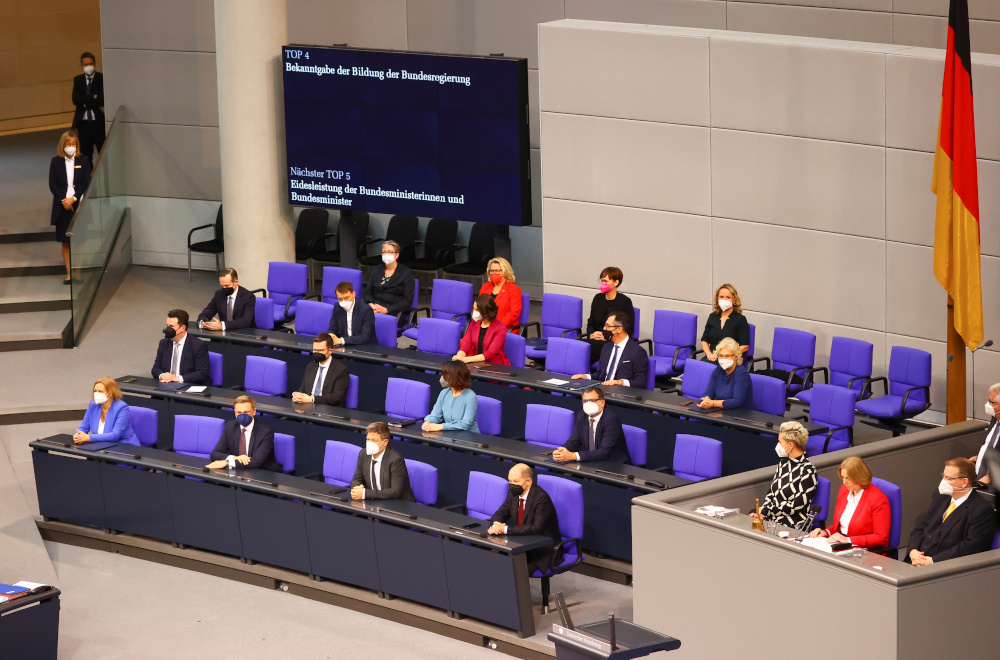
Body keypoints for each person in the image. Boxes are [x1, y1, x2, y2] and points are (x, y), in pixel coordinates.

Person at [907, 458, 997, 566]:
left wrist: (932, 561)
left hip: (944, 567)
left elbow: (970, 547)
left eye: (949, 478)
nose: (943, 482)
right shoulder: (940, 496)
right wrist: (913, 551)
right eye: (943, 476)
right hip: (916, 560)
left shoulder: (981, 510)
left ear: (964, 482)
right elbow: (922, 526)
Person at [488, 464, 562, 573]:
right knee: (496, 564)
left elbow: (537, 528)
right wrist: (496, 525)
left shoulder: (541, 499)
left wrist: (505, 530)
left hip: (541, 549)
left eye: (516, 481)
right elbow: (500, 513)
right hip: (520, 542)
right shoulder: (512, 494)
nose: (512, 485)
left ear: (528, 482)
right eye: (510, 481)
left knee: (514, 572)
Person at [808, 456, 890, 550]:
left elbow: (881, 538)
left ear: (859, 477)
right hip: (841, 545)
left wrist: (848, 540)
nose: (844, 482)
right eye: (843, 477)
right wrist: (826, 532)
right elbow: (842, 525)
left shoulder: (878, 499)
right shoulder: (844, 490)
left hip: (864, 551)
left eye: (848, 478)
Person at [750, 422, 818, 528]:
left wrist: (767, 510)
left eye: (780, 442)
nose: (778, 445)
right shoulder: (783, 463)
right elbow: (771, 494)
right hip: (773, 517)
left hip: (793, 522)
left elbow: (796, 506)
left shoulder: (808, 470)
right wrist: (761, 512)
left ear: (790, 445)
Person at [49, 130, 91, 284]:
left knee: (79, 241)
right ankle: (69, 273)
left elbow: (87, 182)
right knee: (65, 241)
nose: (71, 146)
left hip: (78, 205)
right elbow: (52, 184)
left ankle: (77, 272)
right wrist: (64, 201)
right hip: (62, 206)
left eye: (74, 144)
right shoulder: (55, 162)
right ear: (63, 145)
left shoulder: (84, 160)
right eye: (68, 143)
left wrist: (73, 199)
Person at [553, 386, 630, 463]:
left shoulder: (611, 420)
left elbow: (604, 452)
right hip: (591, 460)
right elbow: (574, 441)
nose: (588, 404)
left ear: (602, 403)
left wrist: (572, 456)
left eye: (592, 400)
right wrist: (562, 451)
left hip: (612, 464)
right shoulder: (582, 415)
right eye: (585, 401)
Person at [571, 312, 648, 388]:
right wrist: (585, 377)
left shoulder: (637, 352)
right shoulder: (607, 347)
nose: (604, 329)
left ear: (618, 329)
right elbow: (599, 374)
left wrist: (619, 382)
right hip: (603, 389)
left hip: (621, 393)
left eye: (607, 326)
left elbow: (640, 382)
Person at [206, 395, 282, 471]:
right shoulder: (230, 426)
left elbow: (256, 462)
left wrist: (228, 462)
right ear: (234, 412)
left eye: (246, 412)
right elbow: (215, 454)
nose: (242, 416)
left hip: (262, 471)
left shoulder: (266, 432)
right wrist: (236, 458)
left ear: (254, 412)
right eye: (238, 412)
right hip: (238, 470)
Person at [350, 422, 416, 502]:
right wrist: (357, 489)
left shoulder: (395, 459)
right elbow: (356, 479)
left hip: (398, 504)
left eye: (374, 440)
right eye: (368, 439)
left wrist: (364, 493)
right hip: (375, 501)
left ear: (385, 442)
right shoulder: (363, 454)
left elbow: (395, 492)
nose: (369, 443)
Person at [584, 267, 634, 361]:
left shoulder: (625, 302)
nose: (603, 284)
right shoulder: (598, 298)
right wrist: (591, 334)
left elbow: (629, 330)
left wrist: (606, 336)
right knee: (577, 346)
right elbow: (591, 322)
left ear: (616, 282)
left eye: (606, 281)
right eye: (602, 281)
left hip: (612, 341)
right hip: (595, 339)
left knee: (585, 351)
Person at [73, 377, 139, 445]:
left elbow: (115, 435)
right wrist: (78, 436)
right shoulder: (93, 405)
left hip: (124, 446)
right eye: (95, 391)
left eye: (100, 391)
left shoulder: (121, 408)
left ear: (110, 393)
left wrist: (88, 437)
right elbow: (83, 427)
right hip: (103, 445)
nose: (96, 394)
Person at [152, 309, 210, 385]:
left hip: (187, 386)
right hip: (166, 385)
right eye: (167, 326)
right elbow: (155, 368)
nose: (167, 330)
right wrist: (162, 375)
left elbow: (202, 373)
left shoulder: (198, 345)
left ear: (182, 328)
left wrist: (179, 378)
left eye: (171, 326)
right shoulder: (164, 343)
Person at [291, 334, 350, 407]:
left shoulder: (341, 370)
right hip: (307, 407)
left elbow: (336, 398)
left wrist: (312, 399)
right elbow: (303, 388)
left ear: (330, 350)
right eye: (315, 350)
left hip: (329, 410)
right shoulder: (311, 366)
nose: (317, 353)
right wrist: (299, 396)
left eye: (321, 350)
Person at [363, 240, 415, 322]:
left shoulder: (406, 273)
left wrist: (387, 310)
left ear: (397, 255)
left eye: (390, 252)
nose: (386, 255)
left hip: (393, 311)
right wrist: (371, 305)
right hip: (373, 308)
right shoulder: (377, 269)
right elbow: (367, 292)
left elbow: (407, 301)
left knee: (371, 322)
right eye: (384, 252)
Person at [422, 361, 480, 433]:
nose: (442, 377)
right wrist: (428, 422)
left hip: (469, 438)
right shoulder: (444, 393)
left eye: (445, 374)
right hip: (450, 435)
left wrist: (441, 426)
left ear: (454, 377)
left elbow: (465, 424)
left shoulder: (471, 396)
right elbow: (435, 415)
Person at [453, 295, 510, 365]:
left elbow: (490, 353)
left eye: (476, 310)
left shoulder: (500, 327)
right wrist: (459, 357)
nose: (474, 311)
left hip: (495, 366)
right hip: (477, 364)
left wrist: (466, 359)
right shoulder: (474, 323)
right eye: (473, 308)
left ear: (485, 311)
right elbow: (466, 344)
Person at [699, 337, 753, 409]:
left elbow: (737, 402)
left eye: (727, 356)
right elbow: (709, 392)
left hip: (740, 414)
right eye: (721, 356)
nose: (723, 359)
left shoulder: (741, 374)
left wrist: (713, 403)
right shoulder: (718, 370)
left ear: (736, 357)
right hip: (722, 410)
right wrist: (706, 399)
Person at [700, 284, 750, 361]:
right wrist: (709, 354)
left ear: (734, 300)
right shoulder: (712, 317)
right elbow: (704, 340)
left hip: (729, 359)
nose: (724, 300)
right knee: (697, 368)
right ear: (717, 299)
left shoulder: (740, 319)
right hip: (711, 357)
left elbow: (745, 346)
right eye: (721, 297)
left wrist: (726, 355)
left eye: (728, 297)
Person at [71, 52, 105, 164]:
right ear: (82, 65)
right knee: (85, 156)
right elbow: (75, 100)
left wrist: (85, 100)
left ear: (95, 64)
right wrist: (92, 97)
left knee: (103, 153)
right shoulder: (78, 80)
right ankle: (88, 180)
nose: (88, 66)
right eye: (85, 64)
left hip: (98, 123)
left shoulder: (101, 78)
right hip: (83, 124)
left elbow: (101, 99)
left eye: (90, 63)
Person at [478, 257, 522, 333]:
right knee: (464, 342)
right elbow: (478, 307)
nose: (494, 273)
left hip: (503, 328)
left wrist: (494, 326)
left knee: (483, 343)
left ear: (505, 271)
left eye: (498, 271)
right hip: (483, 325)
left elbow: (513, 314)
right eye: (492, 271)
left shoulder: (514, 289)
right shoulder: (485, 286)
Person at [327, 281, 375, 345]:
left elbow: (365, 337)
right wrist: (331, 335)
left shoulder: (366, 310)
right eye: (340, 299)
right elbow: (332, 329)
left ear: (353, 294)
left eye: (347, 297)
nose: (344, 301)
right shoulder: (337, 307)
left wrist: (342, 340)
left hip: (364, 347)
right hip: (345, 346)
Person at [970, 383, 1000, 484]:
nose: (988, 405)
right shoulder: (995, 418)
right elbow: (991, 443)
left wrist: (990, 477)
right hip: (980, 475)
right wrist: (979, 456)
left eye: (991, 402)